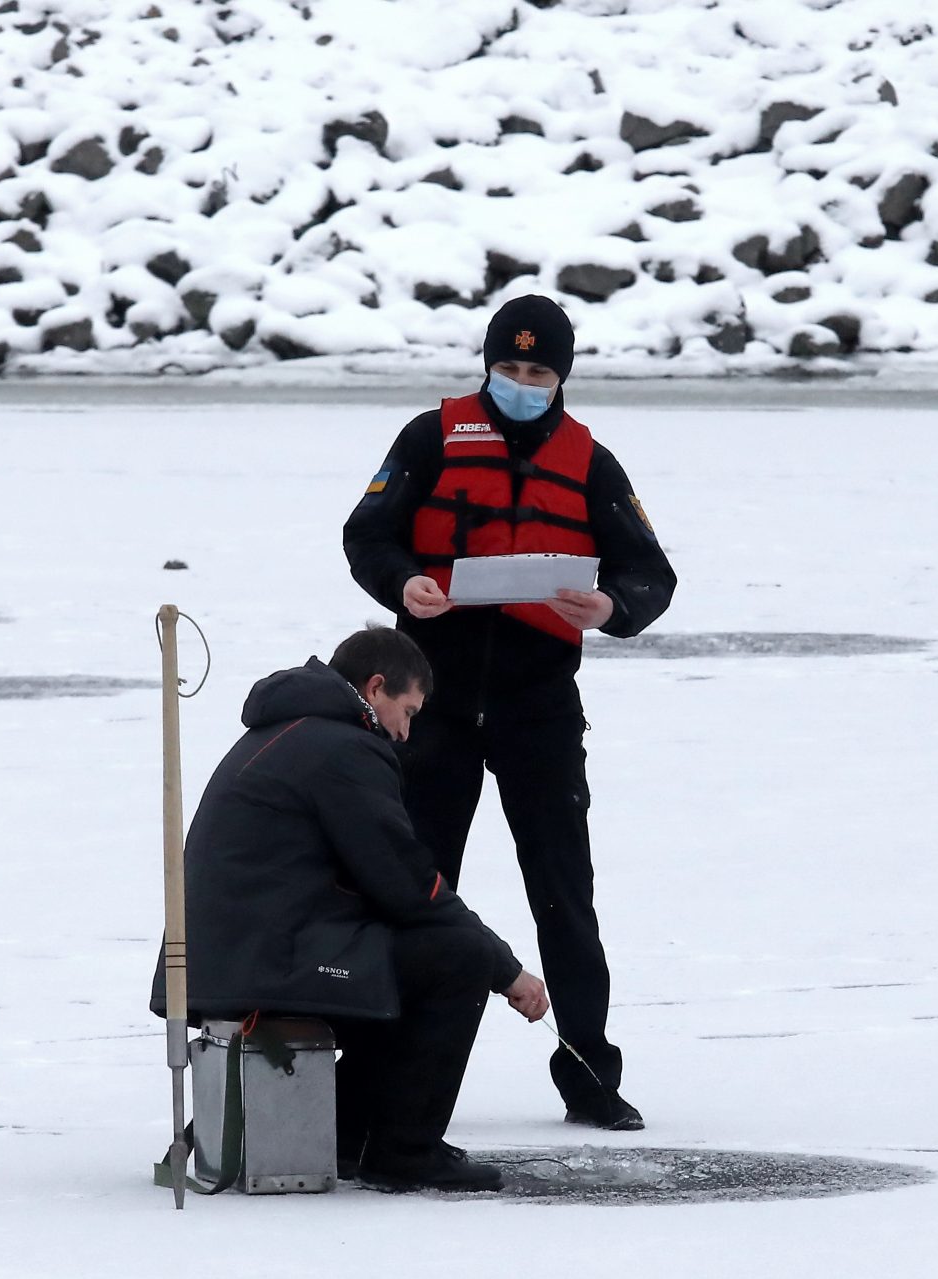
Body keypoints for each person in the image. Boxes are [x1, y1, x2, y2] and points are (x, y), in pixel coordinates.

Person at [341, 293, 675, 1132]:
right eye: (509, 369)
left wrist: (611, 607)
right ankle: (388, 1067)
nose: (521, 384)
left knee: (564, 891)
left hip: (539, 709)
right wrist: (403, 583)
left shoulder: (591, 462)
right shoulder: (429, 438)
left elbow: (651, 575)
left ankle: (590, 1072)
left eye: (538, 372)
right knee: (416, 887)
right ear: (486, 366)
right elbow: (367, 534)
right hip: (433, 706)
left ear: (560, 378)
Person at [159, 626, 550, 1194]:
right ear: (375, 686)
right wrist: (504, 968)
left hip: (227, 958)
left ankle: (342, 1135)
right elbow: (407, 884)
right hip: (265, 963)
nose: (406, 730)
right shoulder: (342, 748)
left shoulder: (292, 730)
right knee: (455, 957)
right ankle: (406, 1153)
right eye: (408, 710)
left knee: (394, 960)